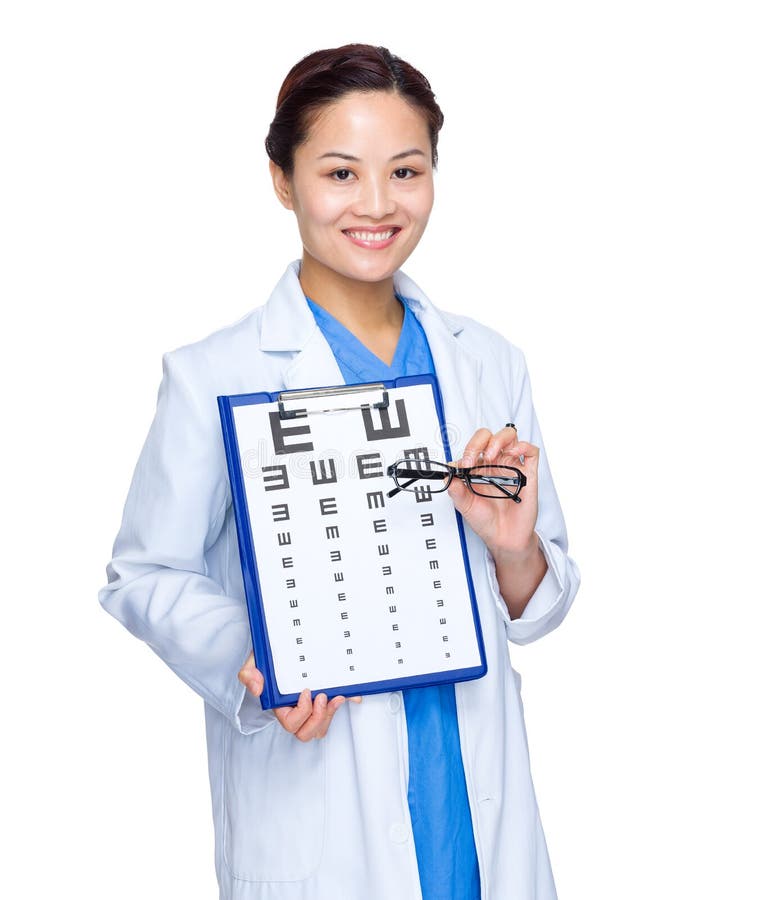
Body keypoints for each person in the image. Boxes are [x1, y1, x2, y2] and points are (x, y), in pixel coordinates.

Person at [99, 43, 580, 900]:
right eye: (339, 173)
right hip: (320, 807)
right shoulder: (218, 373)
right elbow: (143, 573)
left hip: (473, 800)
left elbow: (537, 606)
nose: (376, 204)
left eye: (405, 171)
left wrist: (513, 550)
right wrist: (253, 660)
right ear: (283, 180)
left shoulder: (487, 361)